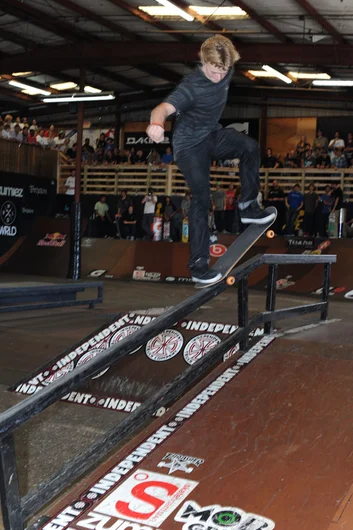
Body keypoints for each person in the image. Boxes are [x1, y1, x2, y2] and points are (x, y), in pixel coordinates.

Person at [146, 35, 275, 285]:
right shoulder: (190, 86)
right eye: (214, 71)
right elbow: (161, 108)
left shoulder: (226, 65)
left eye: (224, 71)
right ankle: (198, 264)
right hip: (189, 146)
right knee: (202, 197)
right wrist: (156, 124)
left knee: (250, 147)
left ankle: (248, 206)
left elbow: (225, 57)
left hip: (212, 135)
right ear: (203, 61)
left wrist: (225, 68)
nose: (219, 77)